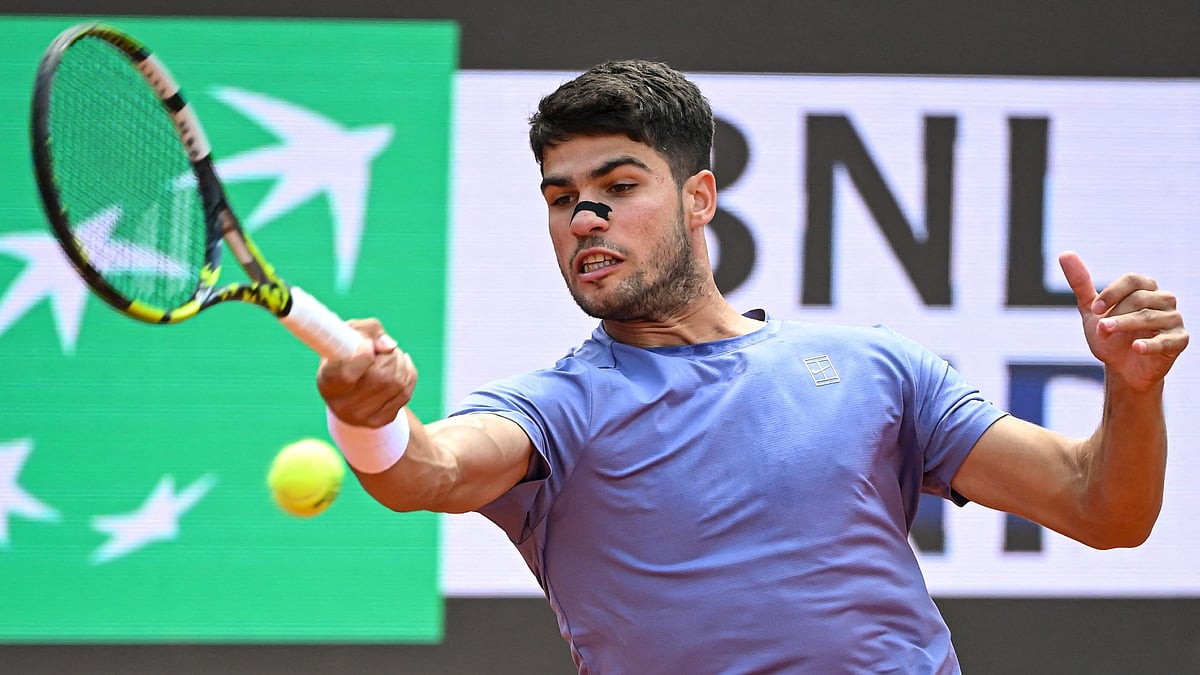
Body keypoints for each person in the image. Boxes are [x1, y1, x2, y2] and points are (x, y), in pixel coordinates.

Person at [315, 60, 1189, 673]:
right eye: (560, 196)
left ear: (699, 199)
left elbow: (1100, 508)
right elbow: (424, 470)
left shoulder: (875, 367)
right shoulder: (557, 408)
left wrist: (1133, 388)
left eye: (618, 187)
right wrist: (365, 414)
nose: (583, 216)